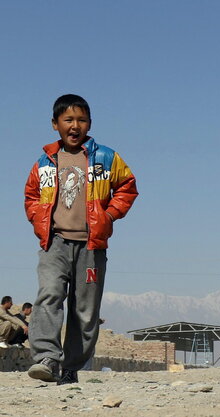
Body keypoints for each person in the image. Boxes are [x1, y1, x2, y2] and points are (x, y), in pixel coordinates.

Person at [23, 94, 138, 385]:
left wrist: (109, 216)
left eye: (82, 120)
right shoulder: (44, 162)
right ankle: (47, 359)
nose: (75, 126)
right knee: (49, 295)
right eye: (68, 120)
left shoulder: (106, 157)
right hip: (55, 243)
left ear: (90, 124)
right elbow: (31, 196)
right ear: (55, 124)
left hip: (92, 245)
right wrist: (39, 222)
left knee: (84, 310)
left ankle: (72, 367)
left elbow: (127, 187)